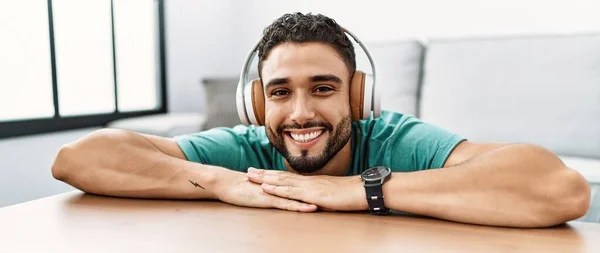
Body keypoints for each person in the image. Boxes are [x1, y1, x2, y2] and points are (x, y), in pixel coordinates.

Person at [51, 12, 590, 228]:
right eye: (281, 93)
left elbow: (559, 188)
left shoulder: (396, 141)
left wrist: (363, 190)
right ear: (258, 104)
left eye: (324, 88)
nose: (301, 112)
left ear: (358, 96)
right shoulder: (246, 152)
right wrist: (224, 182)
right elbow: (78, 158)